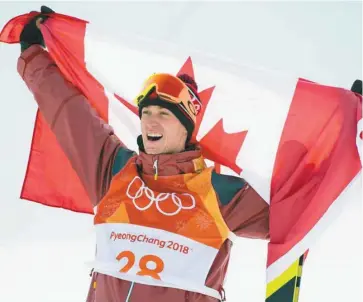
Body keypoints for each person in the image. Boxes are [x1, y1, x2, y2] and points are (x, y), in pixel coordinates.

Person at [17, 6, 269, 302]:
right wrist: (32, 53)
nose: (150, 121)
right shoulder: (113, 170)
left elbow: (292, 217)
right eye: (146, 112)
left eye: (164, 113)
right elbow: (69, 111)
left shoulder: (222, 194)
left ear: (186, 128)